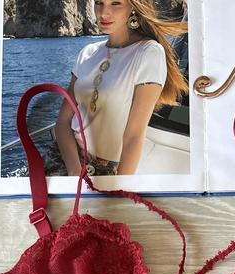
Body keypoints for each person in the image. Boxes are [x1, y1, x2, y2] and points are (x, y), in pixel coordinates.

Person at [55, 0, 187, 176]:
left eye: (115, 4)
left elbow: (134, 136)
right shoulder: (87, 52)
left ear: (133, 7)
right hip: (65, 161)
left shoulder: (149, 52)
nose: (103, 13)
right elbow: (63, 122)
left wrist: (120, 186)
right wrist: (75, 172)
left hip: (107, 171)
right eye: (99, 3)